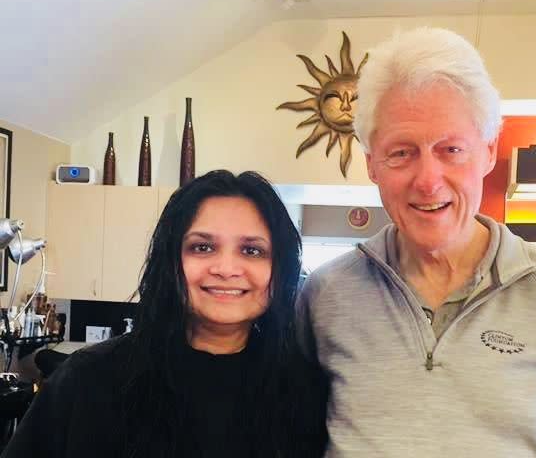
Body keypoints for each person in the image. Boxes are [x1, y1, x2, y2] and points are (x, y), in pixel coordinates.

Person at [297, 27, 536, 457]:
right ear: (372, 164)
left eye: (451, 149)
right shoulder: (325, 295)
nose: (427, 180)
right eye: (401, 152)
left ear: (488, 152)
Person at [3, 170, 328, 458]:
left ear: (280, 269)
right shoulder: (88, 380)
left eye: (252, 250)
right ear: (170, 261)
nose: (226, 269)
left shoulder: (306, 391)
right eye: (202, 247)